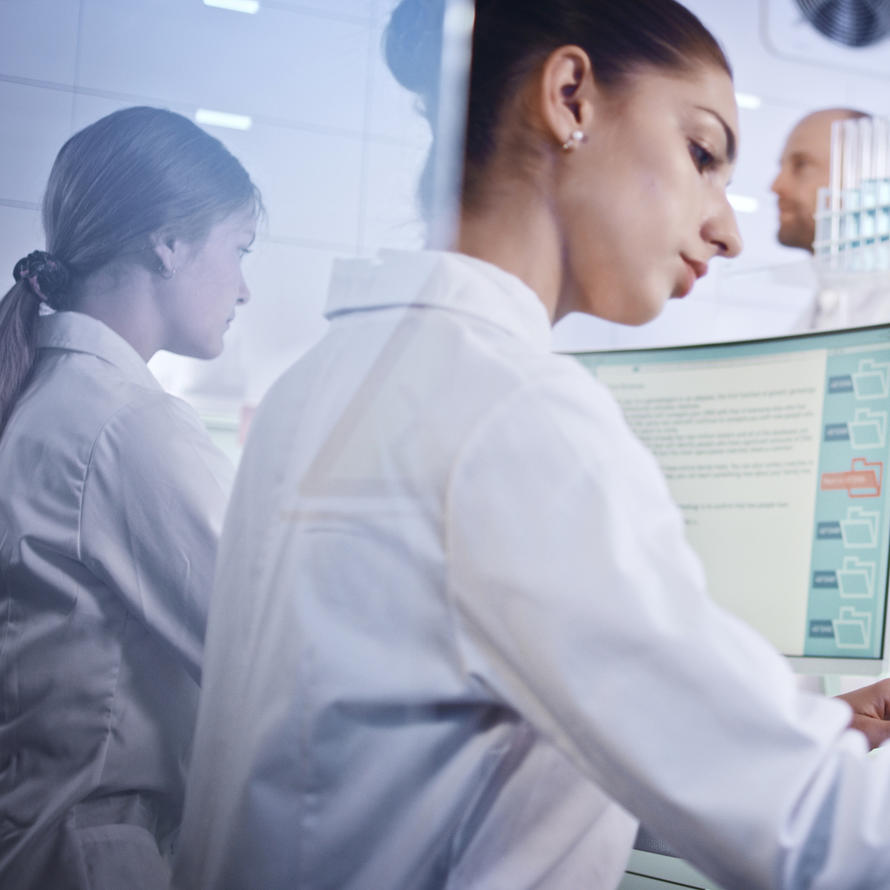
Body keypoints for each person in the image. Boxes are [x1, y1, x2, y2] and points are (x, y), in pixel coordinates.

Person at [174, 2, 890, 889]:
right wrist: (799, 764)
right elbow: (818, 833)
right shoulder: (513, 413)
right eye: (702, 156)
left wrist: (778, 728)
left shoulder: (325, 379)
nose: (729, 229)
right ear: (570, 97)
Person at [0, 106, 260, 889]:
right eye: (239, 250)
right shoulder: (127, 426)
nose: (245, 288)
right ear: (170, 243)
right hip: (86, 859)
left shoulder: (43, 390)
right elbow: (271, 662)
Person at [769, 107, 882, 330]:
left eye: (801, 165)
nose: (776, 186)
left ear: (867, 179)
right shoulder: (821, 311)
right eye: (782, 167)